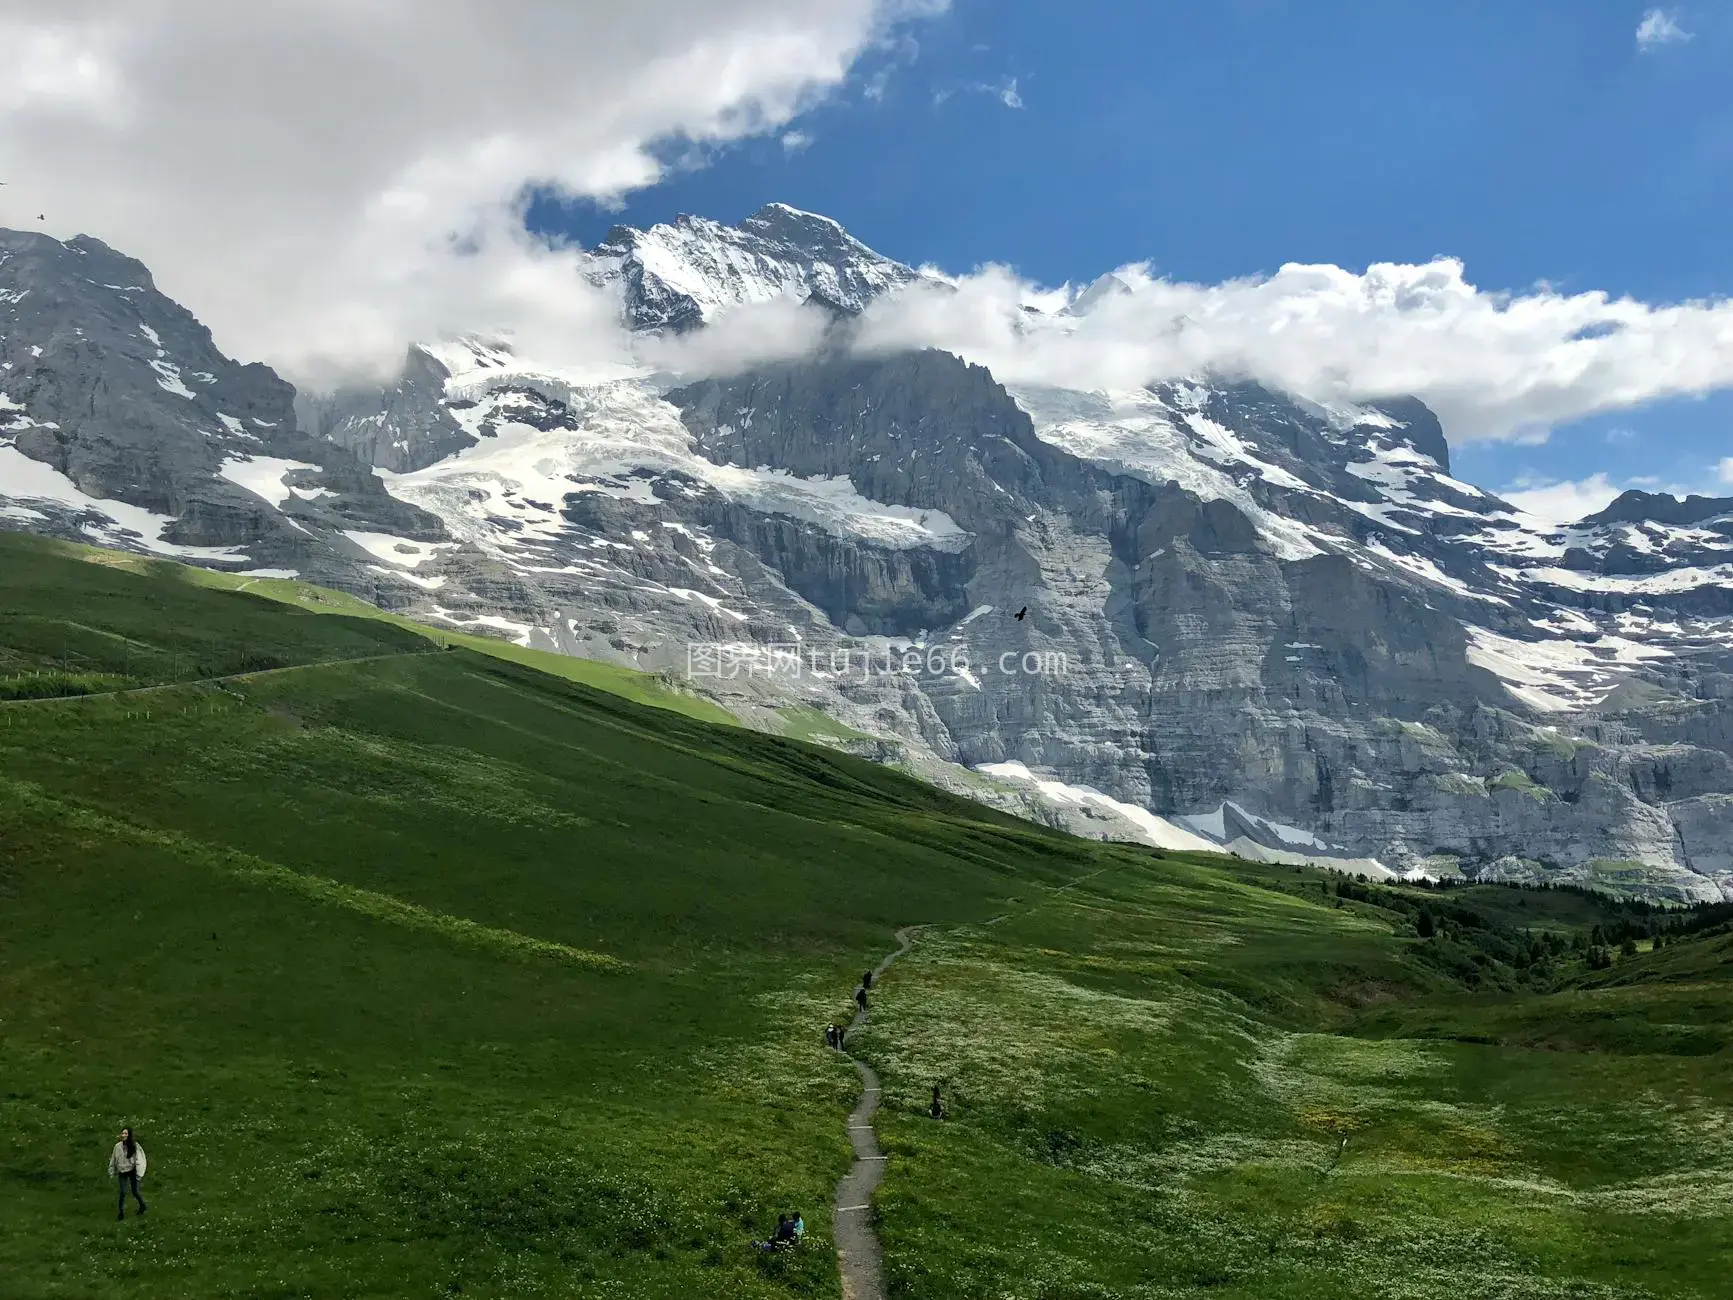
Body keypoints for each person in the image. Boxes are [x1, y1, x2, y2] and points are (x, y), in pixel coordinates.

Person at [108, 1127, 147, 1219]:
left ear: (129, 1135)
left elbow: (140, 1159)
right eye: (122, 1133)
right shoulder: (117, 1147)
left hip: (132, 1171)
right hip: (122, 1172)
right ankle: (121, 1212)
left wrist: (139, 1172)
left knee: (135, 1191)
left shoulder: (135, 1146)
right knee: (123, 1191)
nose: (123, 1135)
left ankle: (143, 1206)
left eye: (126, 1133)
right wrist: (112, 1170)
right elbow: (113, 1159)